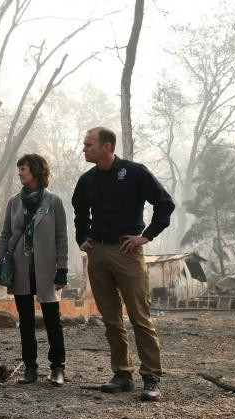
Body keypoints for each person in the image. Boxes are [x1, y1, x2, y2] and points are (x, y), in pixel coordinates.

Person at [72, 127, 175, 401]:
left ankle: (151, 377)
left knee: (140, 317)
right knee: (111, 319)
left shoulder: (134, 172)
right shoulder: (87, 180)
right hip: (98, 254)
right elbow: (79, 213)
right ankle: (122, 373)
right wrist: (82, 238)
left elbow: (165, 204)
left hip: (127, 251)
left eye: (89, 145)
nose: (84, 149)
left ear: (107, 147)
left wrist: (146, 236)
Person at [0, 154, 68, 386]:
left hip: (46, 269)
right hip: (20, 269)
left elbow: (61, 237)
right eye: (19, 169)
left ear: (35, 170)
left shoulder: (53, 201)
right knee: (25, 321)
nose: (19, 172)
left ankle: (57, 368)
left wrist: (62, 268)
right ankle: (30, 368)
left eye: (23, 168)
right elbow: (5, 233)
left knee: (52, 320)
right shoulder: (14, 202)